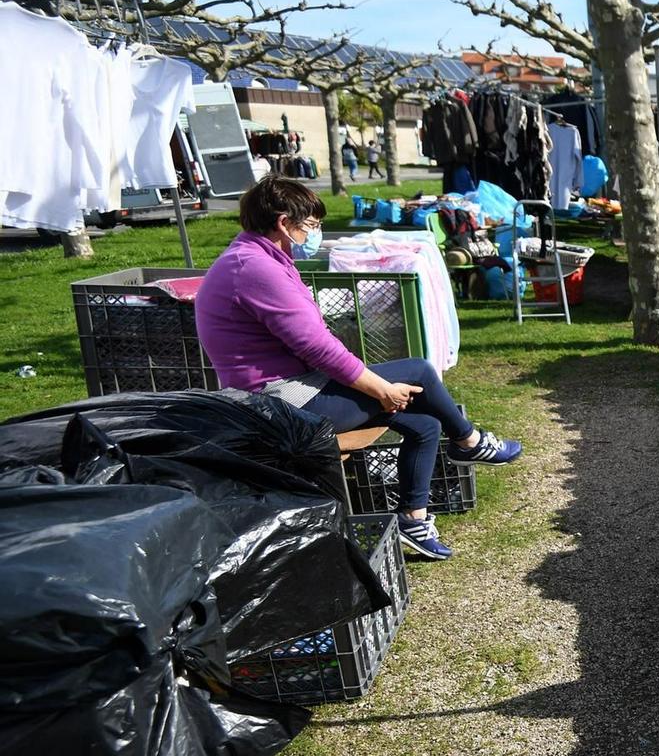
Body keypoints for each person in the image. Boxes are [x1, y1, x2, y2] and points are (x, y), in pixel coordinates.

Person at [194, 177, 522, 562]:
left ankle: (413, 520)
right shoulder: (254, 267)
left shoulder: (259, 259)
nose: (316, 233)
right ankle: (468, 442)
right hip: (279, 403)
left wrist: (374, 385)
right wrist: (380, 389)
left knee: (425, 424)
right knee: (419, 370)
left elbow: (311, 341)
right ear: (284, 223)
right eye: (312, 225)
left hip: (296, 388)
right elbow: (315, 346)